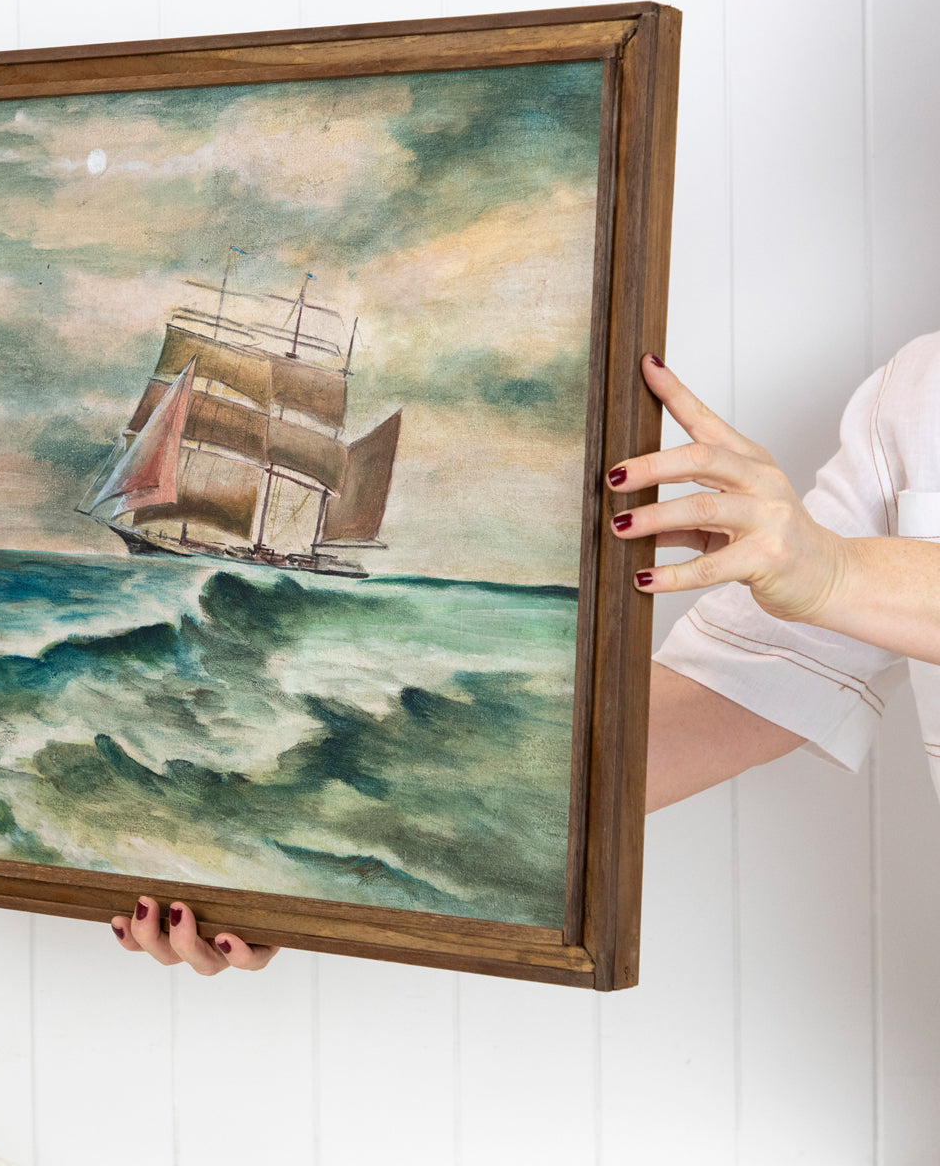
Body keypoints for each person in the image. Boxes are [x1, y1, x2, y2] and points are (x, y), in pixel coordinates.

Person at [111, 337, 940, 974]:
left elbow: (824, 581)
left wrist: (836, 573)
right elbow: (739, 693)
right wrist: (275, 865)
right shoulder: (916, 392)